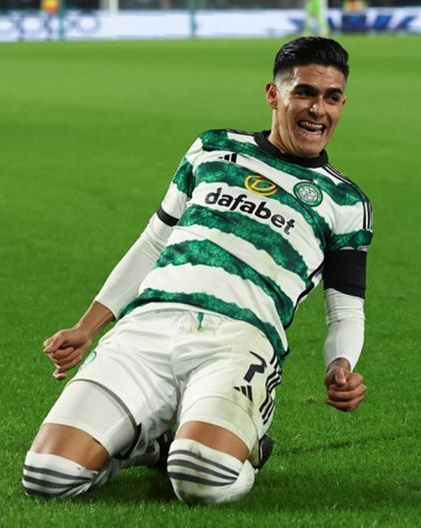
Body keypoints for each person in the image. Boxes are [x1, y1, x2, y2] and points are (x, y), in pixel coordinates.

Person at [22, 36, 372, 505]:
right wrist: (88, 327)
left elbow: (345, 308)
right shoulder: (212, 149)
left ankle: (245, 448)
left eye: (331, 98)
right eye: (305, 92)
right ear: (274, 95)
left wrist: (340, 365)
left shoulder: (345, 202)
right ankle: (153, 444)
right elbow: (154, 241)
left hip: (239, 342)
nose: (317, 109)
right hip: (147, 328)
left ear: (342, 105)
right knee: (47, 476)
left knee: (199, 478)